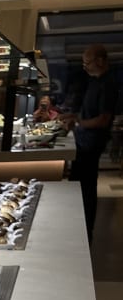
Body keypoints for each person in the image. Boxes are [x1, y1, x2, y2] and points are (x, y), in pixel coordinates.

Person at [61, 45, 119, 243]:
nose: (84, 66)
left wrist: (78, 123)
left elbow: (103, 119)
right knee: (77, 186)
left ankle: (85, 233)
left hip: (91, 144)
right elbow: (89, 113)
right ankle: (78, 227)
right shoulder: (94, 82)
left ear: (100, 61)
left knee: (85, 189)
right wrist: (72, 117)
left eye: (87, 62)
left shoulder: (108, 84)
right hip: (84, 141)